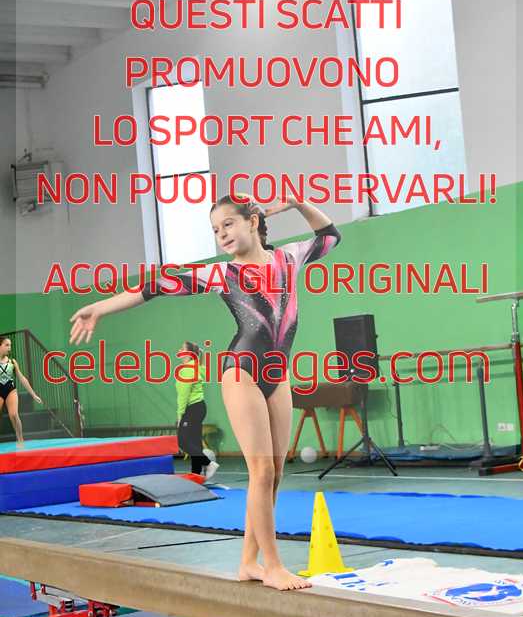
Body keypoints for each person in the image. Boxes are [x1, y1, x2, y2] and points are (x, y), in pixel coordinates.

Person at [69, 194, 341, 590]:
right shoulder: (221, 274)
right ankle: (273, 566)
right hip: (242, 372)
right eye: (215, 230)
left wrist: (298, 204)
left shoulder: (289, 258)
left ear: (252, 221)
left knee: (276, 474)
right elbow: (155, 287)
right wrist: (101, 307)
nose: (222, 234)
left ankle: (248, 563)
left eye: (228, 224)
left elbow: (330, 236)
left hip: (277, 375)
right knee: (262, 471)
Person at [176, 340, 219, 479]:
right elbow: (202, 367)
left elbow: (184, 394)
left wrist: (180, 415)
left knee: (183, 441)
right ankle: (196, 475)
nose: (179, 351)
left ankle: (208, 464)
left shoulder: (186, 370)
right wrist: (201, 355)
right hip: (199, 408)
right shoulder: (196, 367)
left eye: (182, 349)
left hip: (191, 409)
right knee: (195, 442)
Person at [0, 335, 42, 446]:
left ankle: (20, 439)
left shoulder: (12, 362)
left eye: (10, 345)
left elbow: (22, 378)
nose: (9, 348)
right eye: (7, 345)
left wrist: (33, 394)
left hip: (10, 389)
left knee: (14, 414)